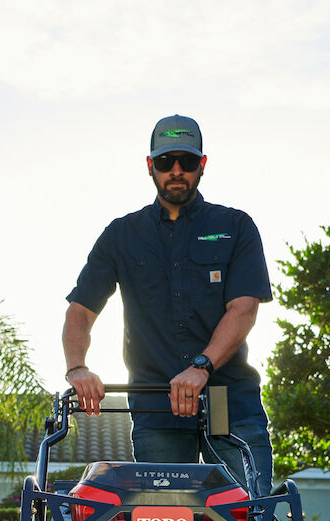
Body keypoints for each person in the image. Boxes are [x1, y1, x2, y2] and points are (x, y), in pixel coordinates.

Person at [62, 114, 274, 496]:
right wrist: (77, 368)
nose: (176, 171)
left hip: (229, 403)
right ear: (150, 166)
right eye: (165, 162)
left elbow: (243, 308)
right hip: (157, 409)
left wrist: (201, 367)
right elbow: (80, 312)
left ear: (202, 166)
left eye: (187, 162)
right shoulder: (121, 236)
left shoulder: (236, 226)